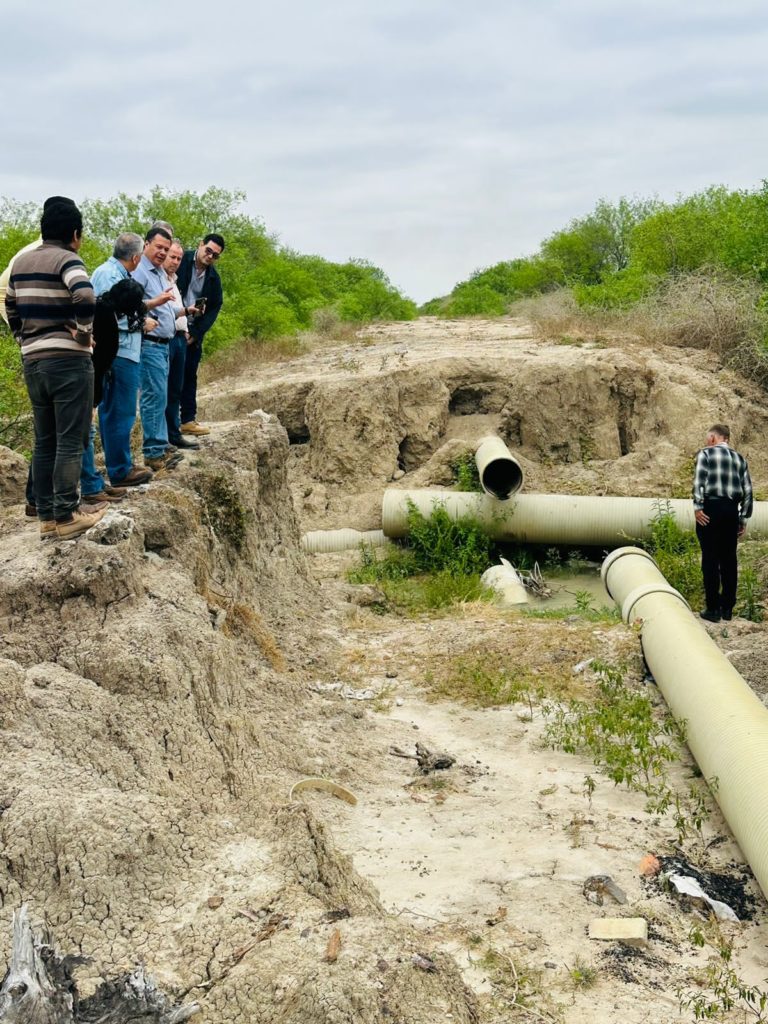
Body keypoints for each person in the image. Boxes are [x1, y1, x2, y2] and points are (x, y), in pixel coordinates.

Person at [5, 200, 105, 540]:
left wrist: (24, 338)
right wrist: (85, 333)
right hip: (68, 362)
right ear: (75, 234)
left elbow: (10, 304)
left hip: (33, 362)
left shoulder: (21, 262)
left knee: (44, 440)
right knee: (71, 439)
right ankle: (67, 514)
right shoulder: (67, 259)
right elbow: (86, 296)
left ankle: (47, 515)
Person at [91, 233, 157, 488]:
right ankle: (120, 469)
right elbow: (108, 314)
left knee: (113, 412)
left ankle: (118, 465)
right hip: (119, 353)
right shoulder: (109, 275)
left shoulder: (111, 272)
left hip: (120, 352)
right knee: (121, 412)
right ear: (137, 256)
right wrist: (143, 323)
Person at [131, 227, 183, 472]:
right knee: (153, 397)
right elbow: (131, 305)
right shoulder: (140, 271)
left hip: (163, 344)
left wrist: (184, 312)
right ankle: (153, 452)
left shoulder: (159, 273)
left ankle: (160, 445)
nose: (162, 252)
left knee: (161, 396)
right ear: (146, 244)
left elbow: (164, 308)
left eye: (166, 248)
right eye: (159, 247)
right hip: (149, 344)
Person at [693, 423, 753, 623]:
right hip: (731, 511)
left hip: (711, 508)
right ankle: (727, 609)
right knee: (729, 560)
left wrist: (698, 507)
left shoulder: (706, 454)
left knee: (710, 559)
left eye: (707, 438)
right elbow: (748, 491)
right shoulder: (740, 459)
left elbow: (699, 481)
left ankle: (713, 610)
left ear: (712, 438)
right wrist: (743, 517)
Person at [177, 233, 225, 436]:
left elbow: (215, 307)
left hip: (193, 331)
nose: (210, 256)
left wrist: (196, 333)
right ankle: (167, 424)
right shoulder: (180, 260)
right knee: (169, 377)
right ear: (200, 245)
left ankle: (188, 420)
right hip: (171, 325)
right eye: (208, 250)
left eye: (215, 255)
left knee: (190, 375)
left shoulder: (213, 278)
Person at [163, 240, 200, 451]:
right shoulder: (158, 278)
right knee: (164, 392)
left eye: (179, 258)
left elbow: (175, 309)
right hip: (165, 339)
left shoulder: (173, 279)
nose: (176, 262)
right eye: (172, 257)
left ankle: (174, 434)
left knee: (175, 389)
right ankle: (165, 439)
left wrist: (185, 320)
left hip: (179, 337)